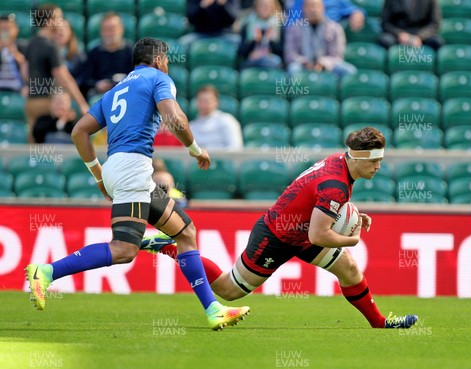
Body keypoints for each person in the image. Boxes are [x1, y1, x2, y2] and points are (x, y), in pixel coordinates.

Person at [26, 37, 249, 331]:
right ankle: (47, 271)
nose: (167, 64)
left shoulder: (115, 90)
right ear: (158, 60)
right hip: (133, 168)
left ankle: (214, 310)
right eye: (166, 60)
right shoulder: (158, 78)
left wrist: (98, 175)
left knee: (185, 232)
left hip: (124, 169)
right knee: (123, 250)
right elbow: (175, 118)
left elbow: (80, 131)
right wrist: (196, 150)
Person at [142, 127, 418, 329]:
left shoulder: (341, 162)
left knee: (349, 269)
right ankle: (169, 246)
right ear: (357, 159)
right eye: (374, 161)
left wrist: (352, 214)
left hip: (302, 231)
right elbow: (319, 235)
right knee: (228, 290)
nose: (379, 167)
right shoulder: (334, 183)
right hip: (276, 235)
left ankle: (380, 323)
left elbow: (324, 202)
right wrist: (353, 239)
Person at [25, 5, 89, 130]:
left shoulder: (31, 43)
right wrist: (82, 104)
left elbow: (25, 72)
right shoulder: (51, 46)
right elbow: (64, 78)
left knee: (33, 145)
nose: (61, 22)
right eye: (58, 18)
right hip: (47, 104)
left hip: (31, 103)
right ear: (49, 22)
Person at [285, 0, 356, 77]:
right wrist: (304, 62)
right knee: (293, 68)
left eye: (316, 6)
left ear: (323, 8)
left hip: (328, 65)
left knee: (350, 71)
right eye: (309, 6)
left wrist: (323, 63)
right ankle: (297, 89)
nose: (313, 9)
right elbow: (290, 54)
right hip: (303, 64)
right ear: (303, 9)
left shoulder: (334, 27)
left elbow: (337, 56)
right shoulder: (294, 28)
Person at [81, 13, 133, 97]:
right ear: (101, 32)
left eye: (113, 29)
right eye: (106, 30)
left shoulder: (132, 52)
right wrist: (97, 85)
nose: (109, 33)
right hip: (101, 95)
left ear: (121, 29)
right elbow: (86, 81)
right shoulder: (94, 53)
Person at [189, 85, 243, 150]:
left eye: (207, 101)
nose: (204, 104)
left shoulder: (227, 120)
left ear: (216, 102)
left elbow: (236, 147)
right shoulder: (191, 127)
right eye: (201, 101)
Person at [378, 0, 444, 50]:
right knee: (385, 41)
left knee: (437, 42)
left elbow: (434, 23)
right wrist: (400, 34)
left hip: (421, 33)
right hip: (398, 33)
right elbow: (385, 22)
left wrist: (420, 37)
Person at [238, 0, 284, 69]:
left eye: (267, 6)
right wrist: (254, 41)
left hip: (272, 59)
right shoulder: (248, 24)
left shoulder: (279, 25)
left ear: (273, 7)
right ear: (256, 7)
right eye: (262, 5)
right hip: (252, 59)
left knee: (268, 62)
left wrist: (271, 42)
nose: (265, 8)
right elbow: (241, 52)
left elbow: (282, 52)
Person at [285, 0, 365, 31]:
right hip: (306, 36)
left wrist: (357, 13)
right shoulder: (299, 1)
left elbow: (354, 10)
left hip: (329, 37)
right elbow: (290, 25)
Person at [53, 18, 85, 88]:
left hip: (71, 94)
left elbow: (82, 80)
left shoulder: (79, 56)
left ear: (71, 32)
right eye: (56, 29)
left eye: (64, 28)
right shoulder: (44, 53)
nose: (60, 32)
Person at [0, 14, 27, 95]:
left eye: (8, 28)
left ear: (16, 29)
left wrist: (18, 57)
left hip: (18, 89)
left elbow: (29, 76)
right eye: (2, 29)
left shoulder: (24, 47)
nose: (5, 32)